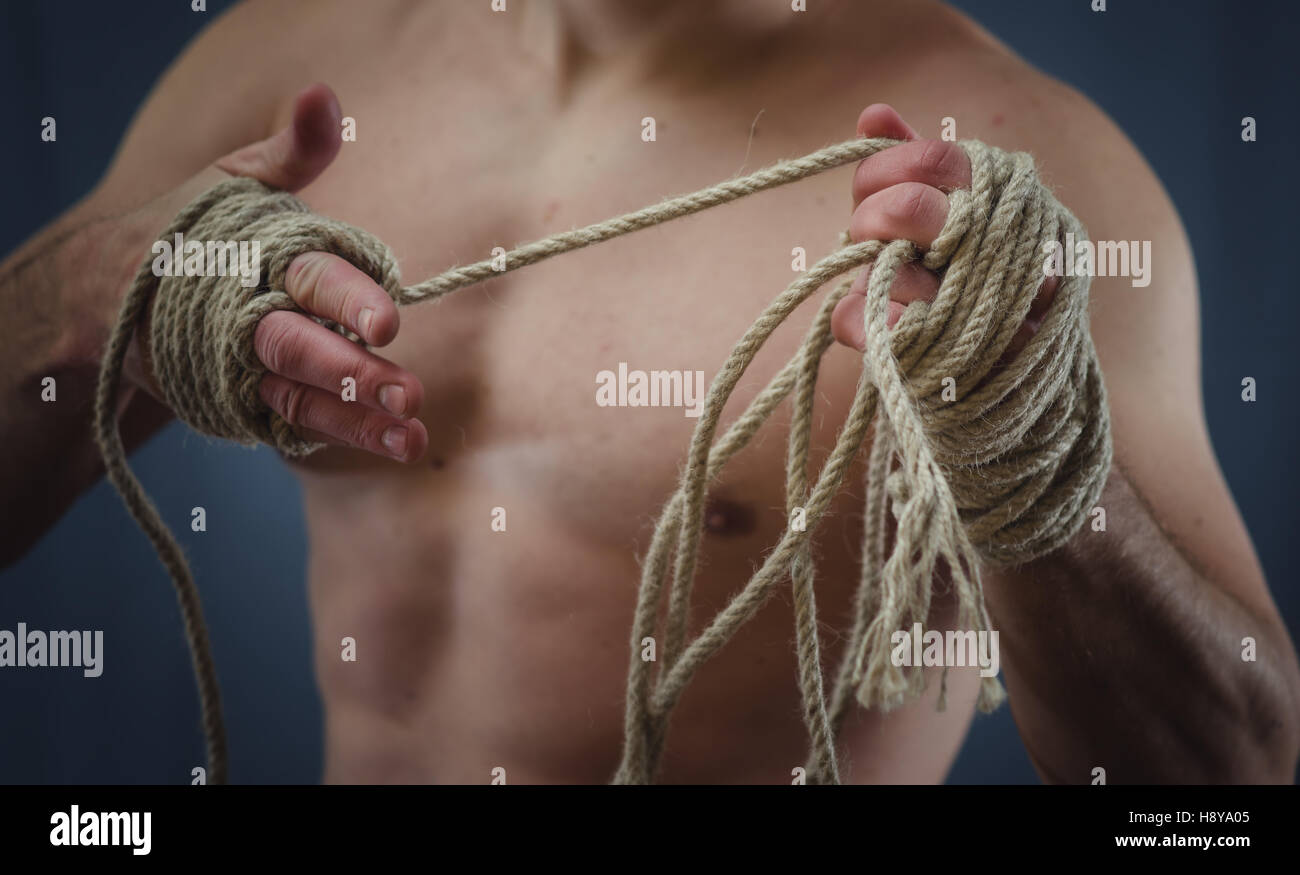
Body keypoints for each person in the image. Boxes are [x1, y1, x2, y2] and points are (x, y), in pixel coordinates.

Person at [2, 0, 1296, 783]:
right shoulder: (286, 58)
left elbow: (1224, 785)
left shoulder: (1014, 168)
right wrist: (79, 303)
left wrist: (1029, 449)